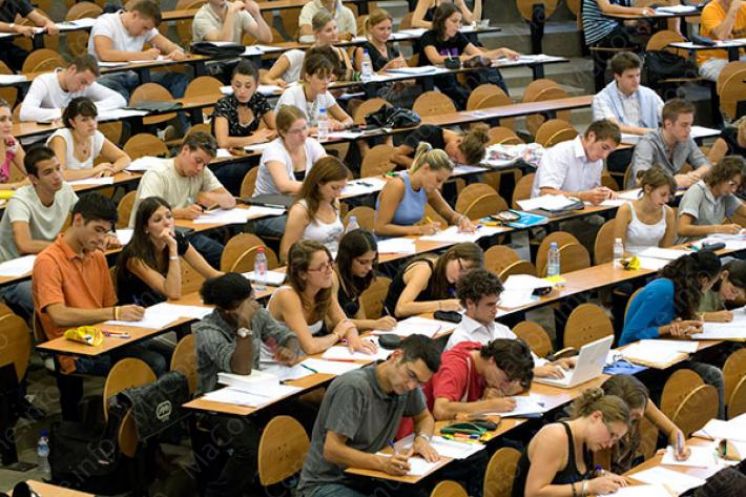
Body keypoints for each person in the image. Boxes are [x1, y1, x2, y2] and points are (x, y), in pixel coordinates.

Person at [31, 193, 167, 420]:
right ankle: (139, 428)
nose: (101, 239)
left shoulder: (97, 257)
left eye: (106, 232)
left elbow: (109, 305)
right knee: (155, 362)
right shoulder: (48, 261)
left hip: (106, 337)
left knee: (169, 353)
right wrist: (115, 313)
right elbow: (58, 315)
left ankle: (153, 424)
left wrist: (124, 319)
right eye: (97, 230)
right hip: (75, 350)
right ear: (77, 220)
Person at [194, 273, 304, 497]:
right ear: (229, 310)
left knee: (304, 415)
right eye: (248, 302)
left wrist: (290, 349)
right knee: (250, 451)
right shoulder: (208, 332)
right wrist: (244, 325)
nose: (255, 305)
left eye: (253, 298)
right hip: (217, 404)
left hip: (255, 393)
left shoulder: (256, 312)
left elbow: (286, 335)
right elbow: (240, 368)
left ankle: (280, 483)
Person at [296, 334, 441, 497]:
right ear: (396, 356)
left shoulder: (406, 386)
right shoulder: (354, 388)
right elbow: (332, 450)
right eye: (411, 375)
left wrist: (422, 439)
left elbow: (424, 417)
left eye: (420, 382)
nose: (412, 385)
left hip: (367, 477)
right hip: (326, 483)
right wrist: (382, 463)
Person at [621, 251, 726, 417]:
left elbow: (667, 322)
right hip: (638, 363)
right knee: (713, 376)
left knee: (711, 373)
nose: (708, 290)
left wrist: (687, 326)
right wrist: (667, 329)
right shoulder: (662, 290)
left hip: (661, 356)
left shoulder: (682, 289)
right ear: (704, 280)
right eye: (712, 284)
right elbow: (630, 336)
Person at [129, 132, 234, 269]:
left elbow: (230, 201)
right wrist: (182, 213)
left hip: (184, 232)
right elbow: (149, 214)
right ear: (185, 150)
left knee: (225, 253)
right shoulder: (157, 174)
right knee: (218, 254)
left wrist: (207, 196)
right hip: (152, 237)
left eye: (205, 164)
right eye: (197, 161)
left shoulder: (202, 171)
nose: (200, 168)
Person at [445, 268, 576, 378]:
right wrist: (529, 372)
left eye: (496, 303)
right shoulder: (460, 341)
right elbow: (483, 379)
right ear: (470, 303)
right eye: (489, 305)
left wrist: (551, 365)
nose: (495, 310)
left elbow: (527, 359)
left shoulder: (501, 330)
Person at [0, 147, 78, 320]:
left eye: (58, 168)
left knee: (82, 289)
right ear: (33, 179)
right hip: (14, 277)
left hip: (47, 264)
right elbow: (24, 244)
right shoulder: (20, 200)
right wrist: (63, 246)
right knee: (57, 301)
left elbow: (86, 217)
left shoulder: (65, 190)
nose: (57, 176)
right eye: (48, 172)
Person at [267, 240, 377, 360]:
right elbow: (310, 347)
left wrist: (354, 339)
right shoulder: (287, 296)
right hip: (272, 363)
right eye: (321, 267)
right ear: (302, 274)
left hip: (299, 359)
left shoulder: (323, 289)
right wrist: (337, 335)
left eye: (329, 263)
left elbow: (345, 323)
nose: (329, 270)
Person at [511, 388, 630, 497]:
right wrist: (588, 486)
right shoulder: (554, 437)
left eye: (615, 439)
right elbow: (533, 493)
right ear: (596, 416)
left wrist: (602, 474)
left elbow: (584, 472)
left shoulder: (588, 439)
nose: (610, 444)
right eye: (611, 434)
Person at [116, 197, 222, 306]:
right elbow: (172, 293)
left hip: (164, 306)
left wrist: (233, 280)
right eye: (158, 220)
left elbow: (211, 273)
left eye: (169, 216)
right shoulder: (134, 256)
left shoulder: (177, 239)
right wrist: (172, 247)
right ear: (145, 228)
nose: (167, 223)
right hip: (138, 311)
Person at [418, 3, 518, 109]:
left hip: (451, 80)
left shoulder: (457, 37)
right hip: (431, 80)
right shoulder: (428, 37)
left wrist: (501, 51)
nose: (458, 25)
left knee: (484, 79)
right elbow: (435, 59)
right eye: (454, 21)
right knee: (463, 98)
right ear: (442, 21)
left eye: (460, 22)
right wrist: (466, 58)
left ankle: (503, 100)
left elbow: (480, 54)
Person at [88, 0, 188, 102]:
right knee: (122, 98)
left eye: (148, 30)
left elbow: (167, 44)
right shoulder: (105, 23)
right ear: (134, 15)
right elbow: (105, 54)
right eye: (144, 28)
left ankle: (180, 111)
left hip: (132, 75)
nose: (144, 33)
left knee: (178, 79)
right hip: (106, 76)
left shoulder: (146, 27)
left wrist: (177, 52)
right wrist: (143, 55)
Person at [251, 104, 327, 238]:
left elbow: (330, 171)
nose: (303, 135)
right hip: (269, 211)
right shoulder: (273, 150)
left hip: (298, 207)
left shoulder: (312, 144)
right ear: (283, 132)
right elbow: (284, 186)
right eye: (296, 131)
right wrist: (317, 187)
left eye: (305, 128)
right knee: (311, 230)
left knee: (330, 225)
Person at [375, 143, 475, 237]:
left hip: (409, 241)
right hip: (386, 244)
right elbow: (380, 228)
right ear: (426, 168)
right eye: (438, 180)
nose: (439, 186)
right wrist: (419, 229)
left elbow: (450, 215)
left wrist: (461, 220)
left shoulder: (427, 189)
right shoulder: (397, 185)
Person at [426, 338, 534, 419]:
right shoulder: (455, 367)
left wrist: (497, 393)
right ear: (492, 361)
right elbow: (440, 409)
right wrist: (489, 405)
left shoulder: (482, 356)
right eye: (505, 379)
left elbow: (521, 384)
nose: (503, 385)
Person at [601, 374, 690, 474]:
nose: (641, 415)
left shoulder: (640, 401)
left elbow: (674, 431)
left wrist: (677, 448)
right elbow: (602, 474)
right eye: (632, 417)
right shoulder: (603, 428)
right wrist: (650, 466)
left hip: (631, 470)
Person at [212, 60, 276, 194]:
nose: (242, 91)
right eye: (238, 85)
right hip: (224, 162)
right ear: (231, 84)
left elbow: (279, 128)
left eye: (248, 86)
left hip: (248, 156)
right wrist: (254, 139)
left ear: (256, 86)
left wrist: (269, 135)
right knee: (252, 168)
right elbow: (223, 142)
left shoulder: (258, 100)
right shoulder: (224, 105)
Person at [531, 119, 621, 204]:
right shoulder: (559, 153)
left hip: (581, 210)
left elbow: (591, 190)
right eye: (604, 147)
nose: (604, 156)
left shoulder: (597, 160)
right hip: (546, 212)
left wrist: (603, 193)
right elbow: (546, 193)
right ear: (591, 136)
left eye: (610, 152)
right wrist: (581, 196)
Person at [384, 242, 484, 318]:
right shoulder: (423, 270)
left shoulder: (450, 272)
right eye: (461, 269)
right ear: (451, 256)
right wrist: (442, 305)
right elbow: (401, 309)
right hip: (396, 324)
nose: (460, 277)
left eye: (466, 275)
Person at [628, 99, 711, 189]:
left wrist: (693, 175)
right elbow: (641, 178)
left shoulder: (686, 139)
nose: (689, 130)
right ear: (668, 124)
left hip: (670, 192)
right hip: (642, 194)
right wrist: (672, 181)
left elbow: (706, 165)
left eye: (690, 124)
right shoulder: (647, 143)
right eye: (684, 125)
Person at [19, 55, 126, 124]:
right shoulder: (43, 82)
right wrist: (66, 112)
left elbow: (119, 100)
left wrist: (87, 109)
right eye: (82, 82)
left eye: (87, 84)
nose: (83, 88)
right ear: (72, 69)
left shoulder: (86, 84)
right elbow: (25, 113)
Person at [280, 156, 347, 261]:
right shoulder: (301, 211)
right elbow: (286, 253)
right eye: (334, 188)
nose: (338, 194)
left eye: (342, 188)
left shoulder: (335, 203)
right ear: (319, 183)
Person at [46, 97, 131, 180]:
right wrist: (94, 170)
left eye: (93, 118)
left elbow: (124, 158)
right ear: (72, 122)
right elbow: (60, 174)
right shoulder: (60, 138)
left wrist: (111, 169)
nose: (92, 123)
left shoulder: (95, 136)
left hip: (85, 187)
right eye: (84, 120)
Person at [351, 9, 420, 108]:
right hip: (378, 92)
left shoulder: (393, 49)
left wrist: (406, 80)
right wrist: (386, 68)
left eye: (389, 29)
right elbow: (367, 79)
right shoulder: (363, 50)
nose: (386, 32)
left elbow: (409, 76)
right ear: (371, 28)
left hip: (396, 88)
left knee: (422, 89)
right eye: (381, 29)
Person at [332, 229, 397, 331]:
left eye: (372, 261)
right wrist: (374, 324)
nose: (369, 267)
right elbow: (334, 322)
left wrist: (367, 333)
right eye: (363, 262)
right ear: (347, 258)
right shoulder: (332, 277)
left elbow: (359, 314)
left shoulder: (356, 275)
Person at [274, 52, 353, 130]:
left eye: (328, 77)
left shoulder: (324, 94)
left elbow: (348, 119)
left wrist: (342, 125)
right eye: (321, 78)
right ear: (308, 77)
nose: (326, 82)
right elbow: (288, 128)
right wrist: (318, 129)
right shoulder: (291, 94)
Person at [677, 156, 746, 243]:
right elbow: (682, 229)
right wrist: (718, 228)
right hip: (689, 246)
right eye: (732, 184)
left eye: (737, 186)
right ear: (721, 176)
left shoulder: (726, 195)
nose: (733, 190)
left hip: (711, 244)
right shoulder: (697, 191)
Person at [592, 52, 663, 136]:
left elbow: (668, 118)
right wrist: (652, 132)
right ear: (617, 76)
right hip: (620, 143)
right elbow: (613, 127)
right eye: (630, 76)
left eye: (638, 75)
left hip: (650, 141)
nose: (636, 81)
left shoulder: (649, 94)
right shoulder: (601, 99)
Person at [613, 166, 677, 256]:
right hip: (630, 261)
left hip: (655, 261)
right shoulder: (625, 210)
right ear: (648, 189)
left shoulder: (668, 213)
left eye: (669, 195)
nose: (666, 200)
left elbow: (666, 250)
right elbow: (618, 251)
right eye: (663, 195)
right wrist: (640, 261)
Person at [392, 123, 490, 168]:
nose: (451, 160)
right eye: (455, 156)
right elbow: (395, 156)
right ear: (458, 141)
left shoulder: (454, 149)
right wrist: (422, 167)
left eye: (457, 162)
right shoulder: (427, 132)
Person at [0, 0, 58, 72]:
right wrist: (16, 28)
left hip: (6, 46)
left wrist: (48, 23)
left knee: (33, 63)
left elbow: (38, 18)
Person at [698, 0, 746, 81]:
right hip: (713, 60)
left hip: (740, 57)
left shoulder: (744, 7)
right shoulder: (710, 9)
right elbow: (722, 36)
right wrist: (733, 10)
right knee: (736, 80)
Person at [192, 0, 272, 44]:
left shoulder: (235, 9)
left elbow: (267, 38)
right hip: (211, 64)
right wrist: (230, 13)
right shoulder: (201, 18)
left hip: (235, 61)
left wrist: (257, 15)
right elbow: (224, 44)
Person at [0, 99, 26, 190]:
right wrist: (18, 186)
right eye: (2, 119)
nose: (8, 125)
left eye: (10, 119)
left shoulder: (10, 143)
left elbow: (32, 171)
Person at [412, 0, 476, 29]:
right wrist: (443, 25)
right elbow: (415, 22)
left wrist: (478, 1)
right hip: (433, 37)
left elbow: (472, 20)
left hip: (452, 36)